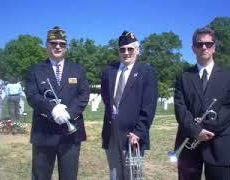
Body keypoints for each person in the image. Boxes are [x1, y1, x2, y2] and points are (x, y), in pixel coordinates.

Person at [24, 26, 90, 180]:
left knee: (69, 176)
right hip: (44, 132)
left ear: (66, 46)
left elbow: (83, 95)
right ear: (47, 45)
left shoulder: (78, 70)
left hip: (70, 134)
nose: (58, 47)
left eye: (61, 43)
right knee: (41, 176)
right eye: (53, 43)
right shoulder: (35, 70)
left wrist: (69, 113)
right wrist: (52, 109)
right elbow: (32, 95)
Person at [173, 27, 230, 180]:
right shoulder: (183, 77)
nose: (204, 47)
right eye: (199, 44)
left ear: (214, 48)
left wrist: (207, 129)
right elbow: (180, 108)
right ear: (193, 49)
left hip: (218, 142)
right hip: (188, 142)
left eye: (208, 44)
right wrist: (196, 131)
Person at [101, 30, 158, 179]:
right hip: (111, 134)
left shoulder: (146, 72)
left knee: (133, 176)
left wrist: (139, 131)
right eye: (122, 49)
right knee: (114, 175)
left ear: (137, 50)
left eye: (130, 49)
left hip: (133, 137)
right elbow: (106, 98)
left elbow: (149, 106)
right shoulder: (109, 71)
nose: (126, 52)